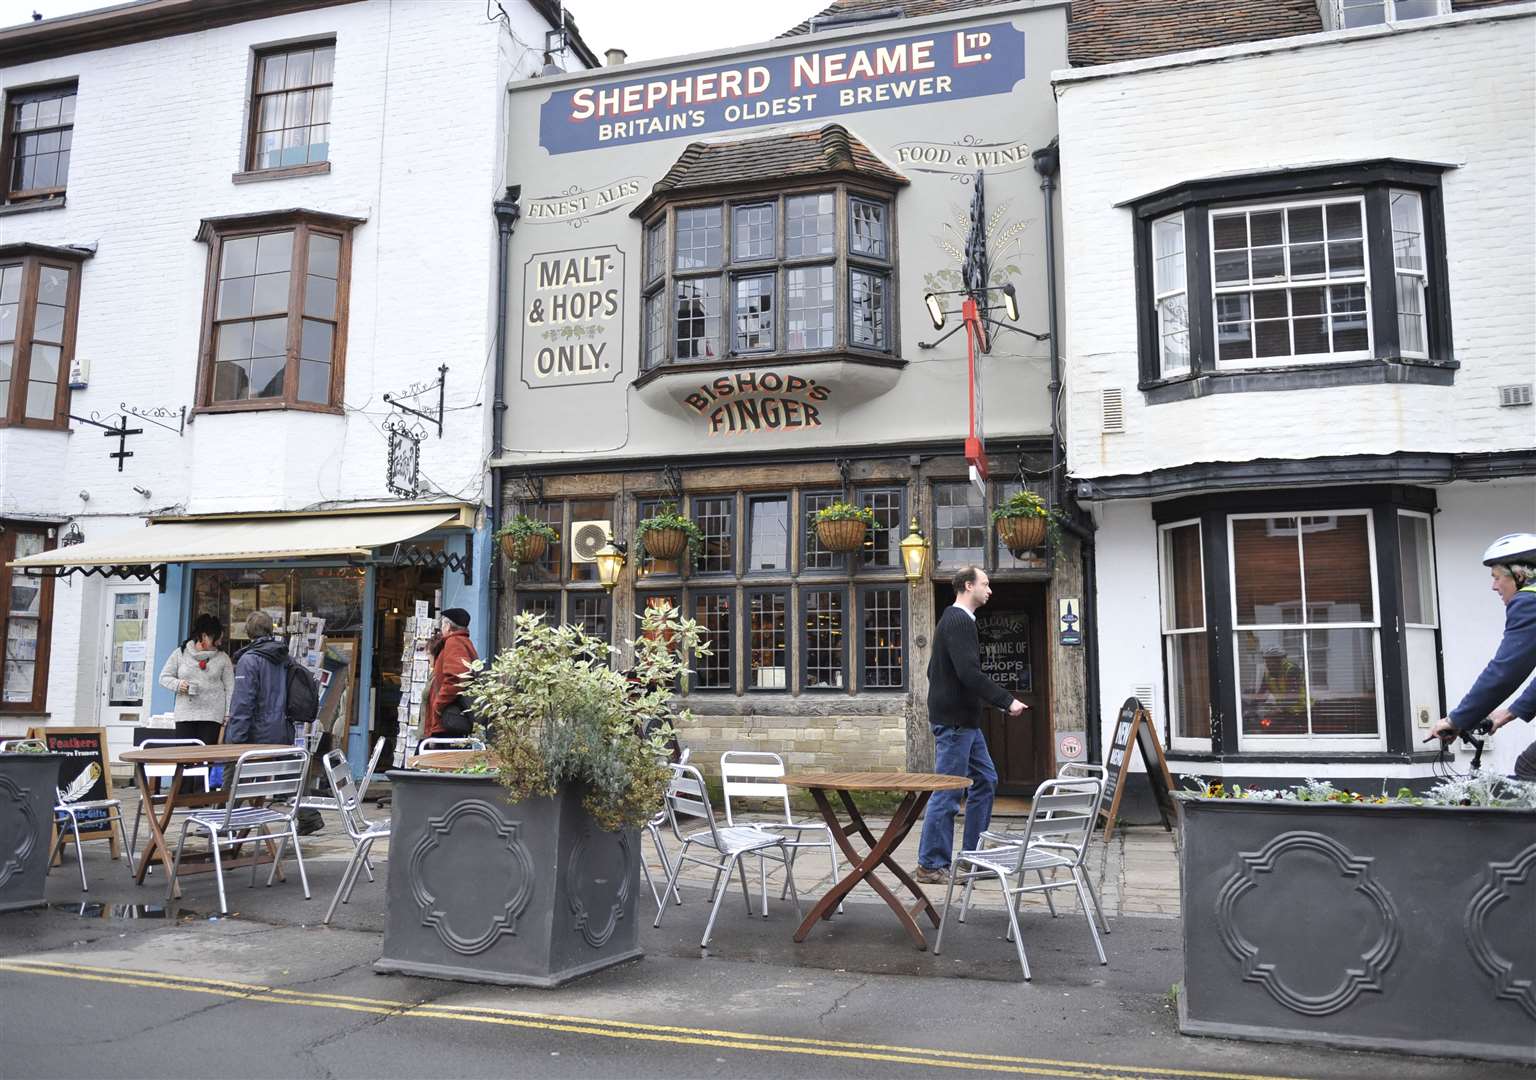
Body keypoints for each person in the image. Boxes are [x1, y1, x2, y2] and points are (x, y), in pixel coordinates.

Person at [915, 566, 1028, 885]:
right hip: (955, 723)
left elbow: (934, 673)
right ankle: (930, 864)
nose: (990, 590)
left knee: (986, 780)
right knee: (948, 792)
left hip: (964, 721)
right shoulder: (958, 621)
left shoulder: (958, 621)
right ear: (968, 586)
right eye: (985, 584)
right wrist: (1007, 700)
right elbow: (968, 673)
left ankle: (971, 857)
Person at [1427, 533, 1536, 780]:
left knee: (1530, 769)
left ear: (1519, 576)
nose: (1493, 586)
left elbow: (1505, 671)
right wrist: (1510, 712)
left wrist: (1456, 719)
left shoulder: (1529, 602)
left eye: (1497, 578)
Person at [157, 613, 234, 733]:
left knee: (207, 752)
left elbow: (230, 688)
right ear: (204, 636)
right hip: (185, 715)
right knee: (185, 751)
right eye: (216, 639)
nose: (219, 643)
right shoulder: (180, 654)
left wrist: (227, 714)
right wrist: (178, 684)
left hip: (212, 716)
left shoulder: (223, 658)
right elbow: (163, 677)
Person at [226, 610, 292, 745]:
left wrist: (235, 739)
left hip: (256, 735)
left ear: (248, 631)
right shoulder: (285, 657)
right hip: (283, 732)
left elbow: (243, 703)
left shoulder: (249, 660)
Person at [423, 608, 479, 740]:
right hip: (451, 720)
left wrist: (438, 705)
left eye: (442, 625)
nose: (442, 629)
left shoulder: (454, 642)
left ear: (448, 626)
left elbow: (457, 677)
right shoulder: (463, 642)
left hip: (447, 722)